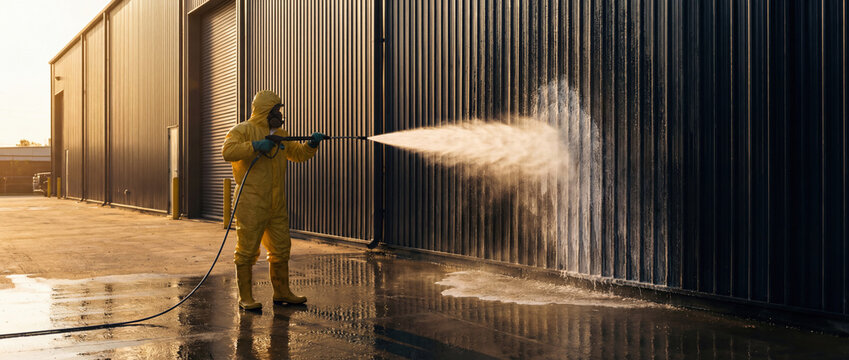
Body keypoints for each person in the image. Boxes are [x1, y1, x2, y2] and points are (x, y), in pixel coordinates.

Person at [222, 90, 326, 310]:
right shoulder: (242, 130)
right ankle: (245, 298)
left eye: (279, 109)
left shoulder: (281, 134)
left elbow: (296, 154)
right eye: (276, 110)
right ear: (264, 111)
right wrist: (255, 146)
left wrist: (311, 145)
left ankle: (282, 292)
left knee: (280, 248)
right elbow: (227, 151)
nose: (279, 114)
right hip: (251, 202)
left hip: (276, 203)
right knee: (247, 250)